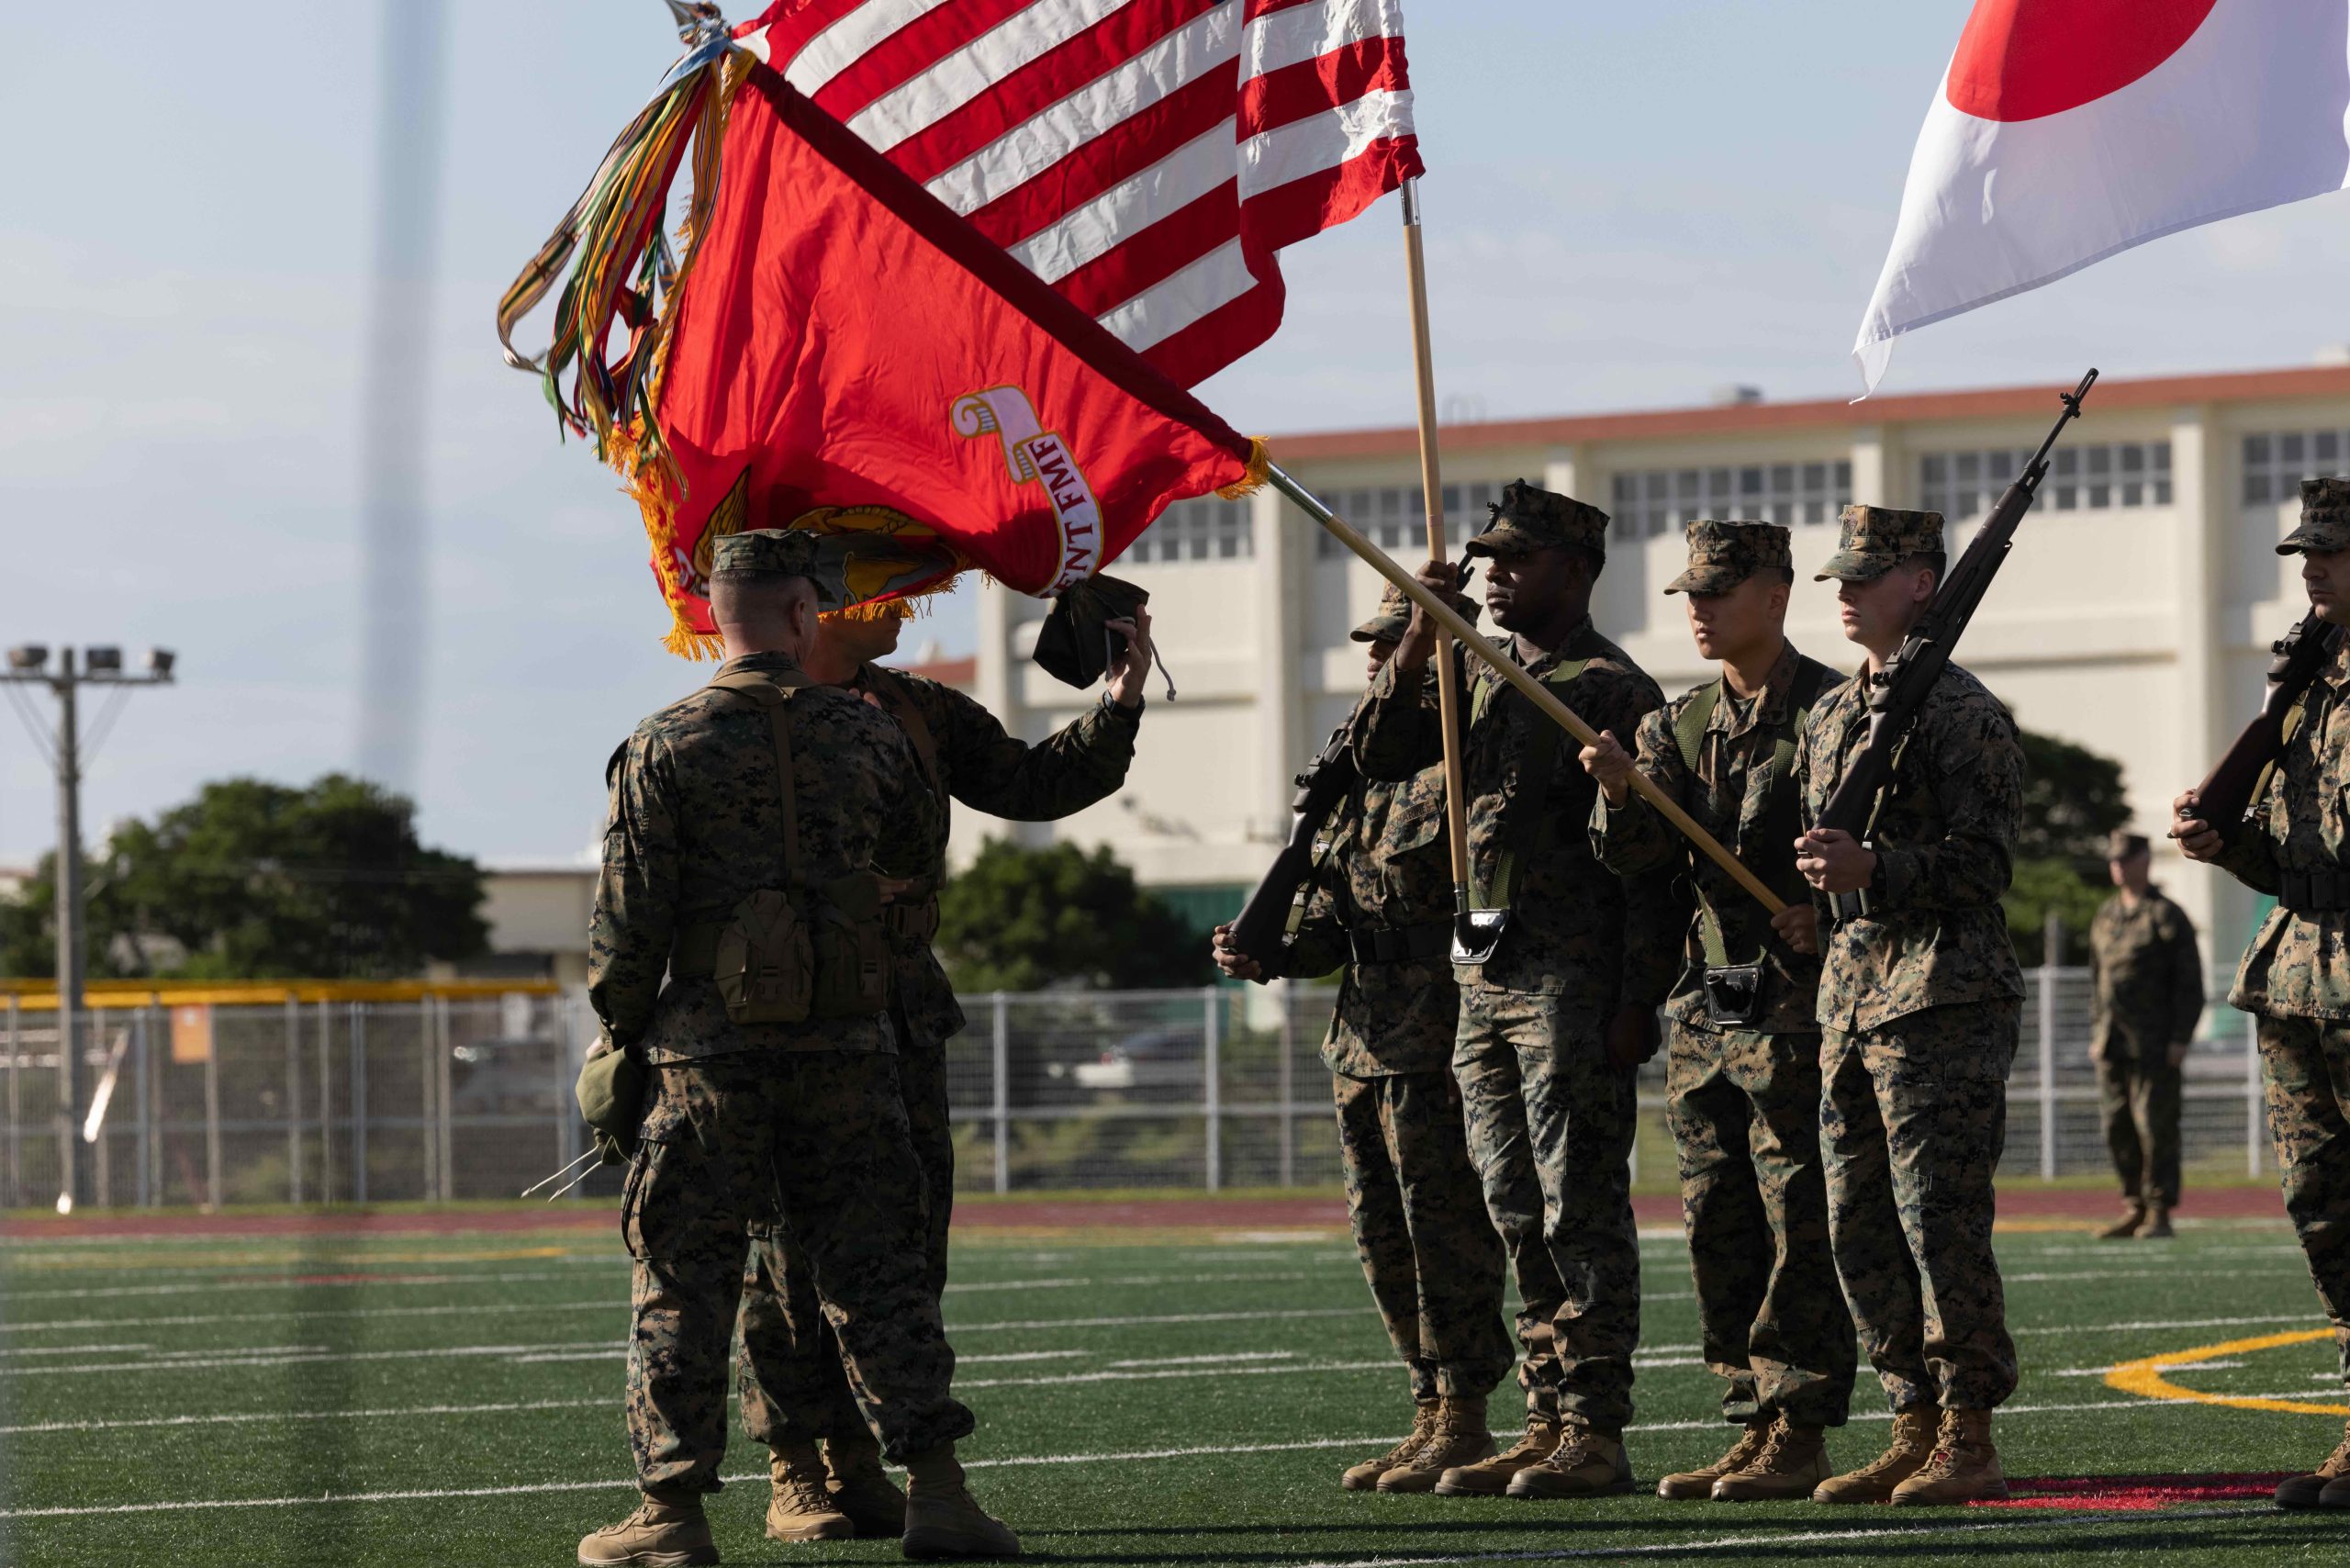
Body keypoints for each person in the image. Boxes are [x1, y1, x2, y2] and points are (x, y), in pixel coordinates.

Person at [577, 529, 1017, 1565]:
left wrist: (619, 1033)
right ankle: (939, 1494)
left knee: (686, 1280)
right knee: (878, 1273)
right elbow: (912, 856)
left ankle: (674, 1512)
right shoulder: (867, 736)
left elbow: (626, 924)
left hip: (706, 1061)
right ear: (802, 612)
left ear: (713, 617)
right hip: (850, 1049)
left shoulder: (662, 743)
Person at [732, 598, 1153, 1542]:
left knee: (907, 1247)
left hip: (901, 1007)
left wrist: (1118, 703)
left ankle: (860, 1460)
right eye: (882, 584)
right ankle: (794, 1464)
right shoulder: (745, 713)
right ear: (813, 601)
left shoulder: (918, 710)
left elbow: (1031, 785)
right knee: (784, 1252)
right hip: (789, 1011)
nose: (906, 606)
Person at [1354, 481, 1684, 1501]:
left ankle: (1593, 1425)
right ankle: (1543, 1417)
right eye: (1488, 559)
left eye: (1517, 560)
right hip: (1484, 976)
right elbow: (1376, 755)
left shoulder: (1610, 688)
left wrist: (1638, 996)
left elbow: (1651, 862)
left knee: (1574, 1201)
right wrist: (1419, 635)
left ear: (1576, 572)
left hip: (1570, 980)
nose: (1496, 575)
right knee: (1510, 1205)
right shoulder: (1472, 671)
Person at [1211, 582, 1514, 1494]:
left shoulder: (1463, 768)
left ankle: (1465, 1410)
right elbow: (1329, 919)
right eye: (1382, 650)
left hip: (1439, 1036)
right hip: (1360, 1038)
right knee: (1381, 1237)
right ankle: (1426, 1404)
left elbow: (1494, 908)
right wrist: (1268, 951)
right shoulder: (1353, 785)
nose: (1385, 664)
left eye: (1405, 649)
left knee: (1445, 1231)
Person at [1582, 519, 1857, 1501]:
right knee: (1716, 1221)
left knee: (1796, 1214)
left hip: (1798, 1006)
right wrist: (1620, 795)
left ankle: (1802, 1421)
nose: (1695, 611)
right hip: (1707, 1004)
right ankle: (1748, 1413)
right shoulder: (1675, 725)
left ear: (1774, 596)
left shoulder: (1834, 710)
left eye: (1715, 593)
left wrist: (1826, 913)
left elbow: (1867, 840)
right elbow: (1641, 864)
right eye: (1688, 596)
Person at [1790, 504, 2024, 1507]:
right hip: (1849, 996)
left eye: (1865, 575)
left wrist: (1876, 864)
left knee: (1939, 1222)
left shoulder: (1966, 716)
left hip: (1941, 995)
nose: (1843, 591)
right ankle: (1910, 1419)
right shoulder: (1832, 714)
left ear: (1921, 584)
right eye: (1839, 575)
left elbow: (1986, 865)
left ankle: (1967, 1432)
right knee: (1858, 1221)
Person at [2176, 475, 2350, 1511]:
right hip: (2294, 977)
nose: (2311, 566)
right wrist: (2222, 840)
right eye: (2302, 553)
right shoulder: (2302, 678)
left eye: (2330, 550)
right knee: (2324, 1212)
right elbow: (2291, 859)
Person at [2087, 830, 2205, 1241]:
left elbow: (2189, 983)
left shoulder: (2165, 915)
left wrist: (2180, 1038)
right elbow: (2098, 980)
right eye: (2113, 859)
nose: (2117, 866)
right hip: (2112, 1041)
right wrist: (2095, 1030)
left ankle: (2160, 1210)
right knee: (2116, 1125)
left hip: (2154, 1042)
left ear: (2144, 861)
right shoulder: (2106, 915)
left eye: (2125, 859)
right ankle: (2134, 1206)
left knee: (2156, 1127)